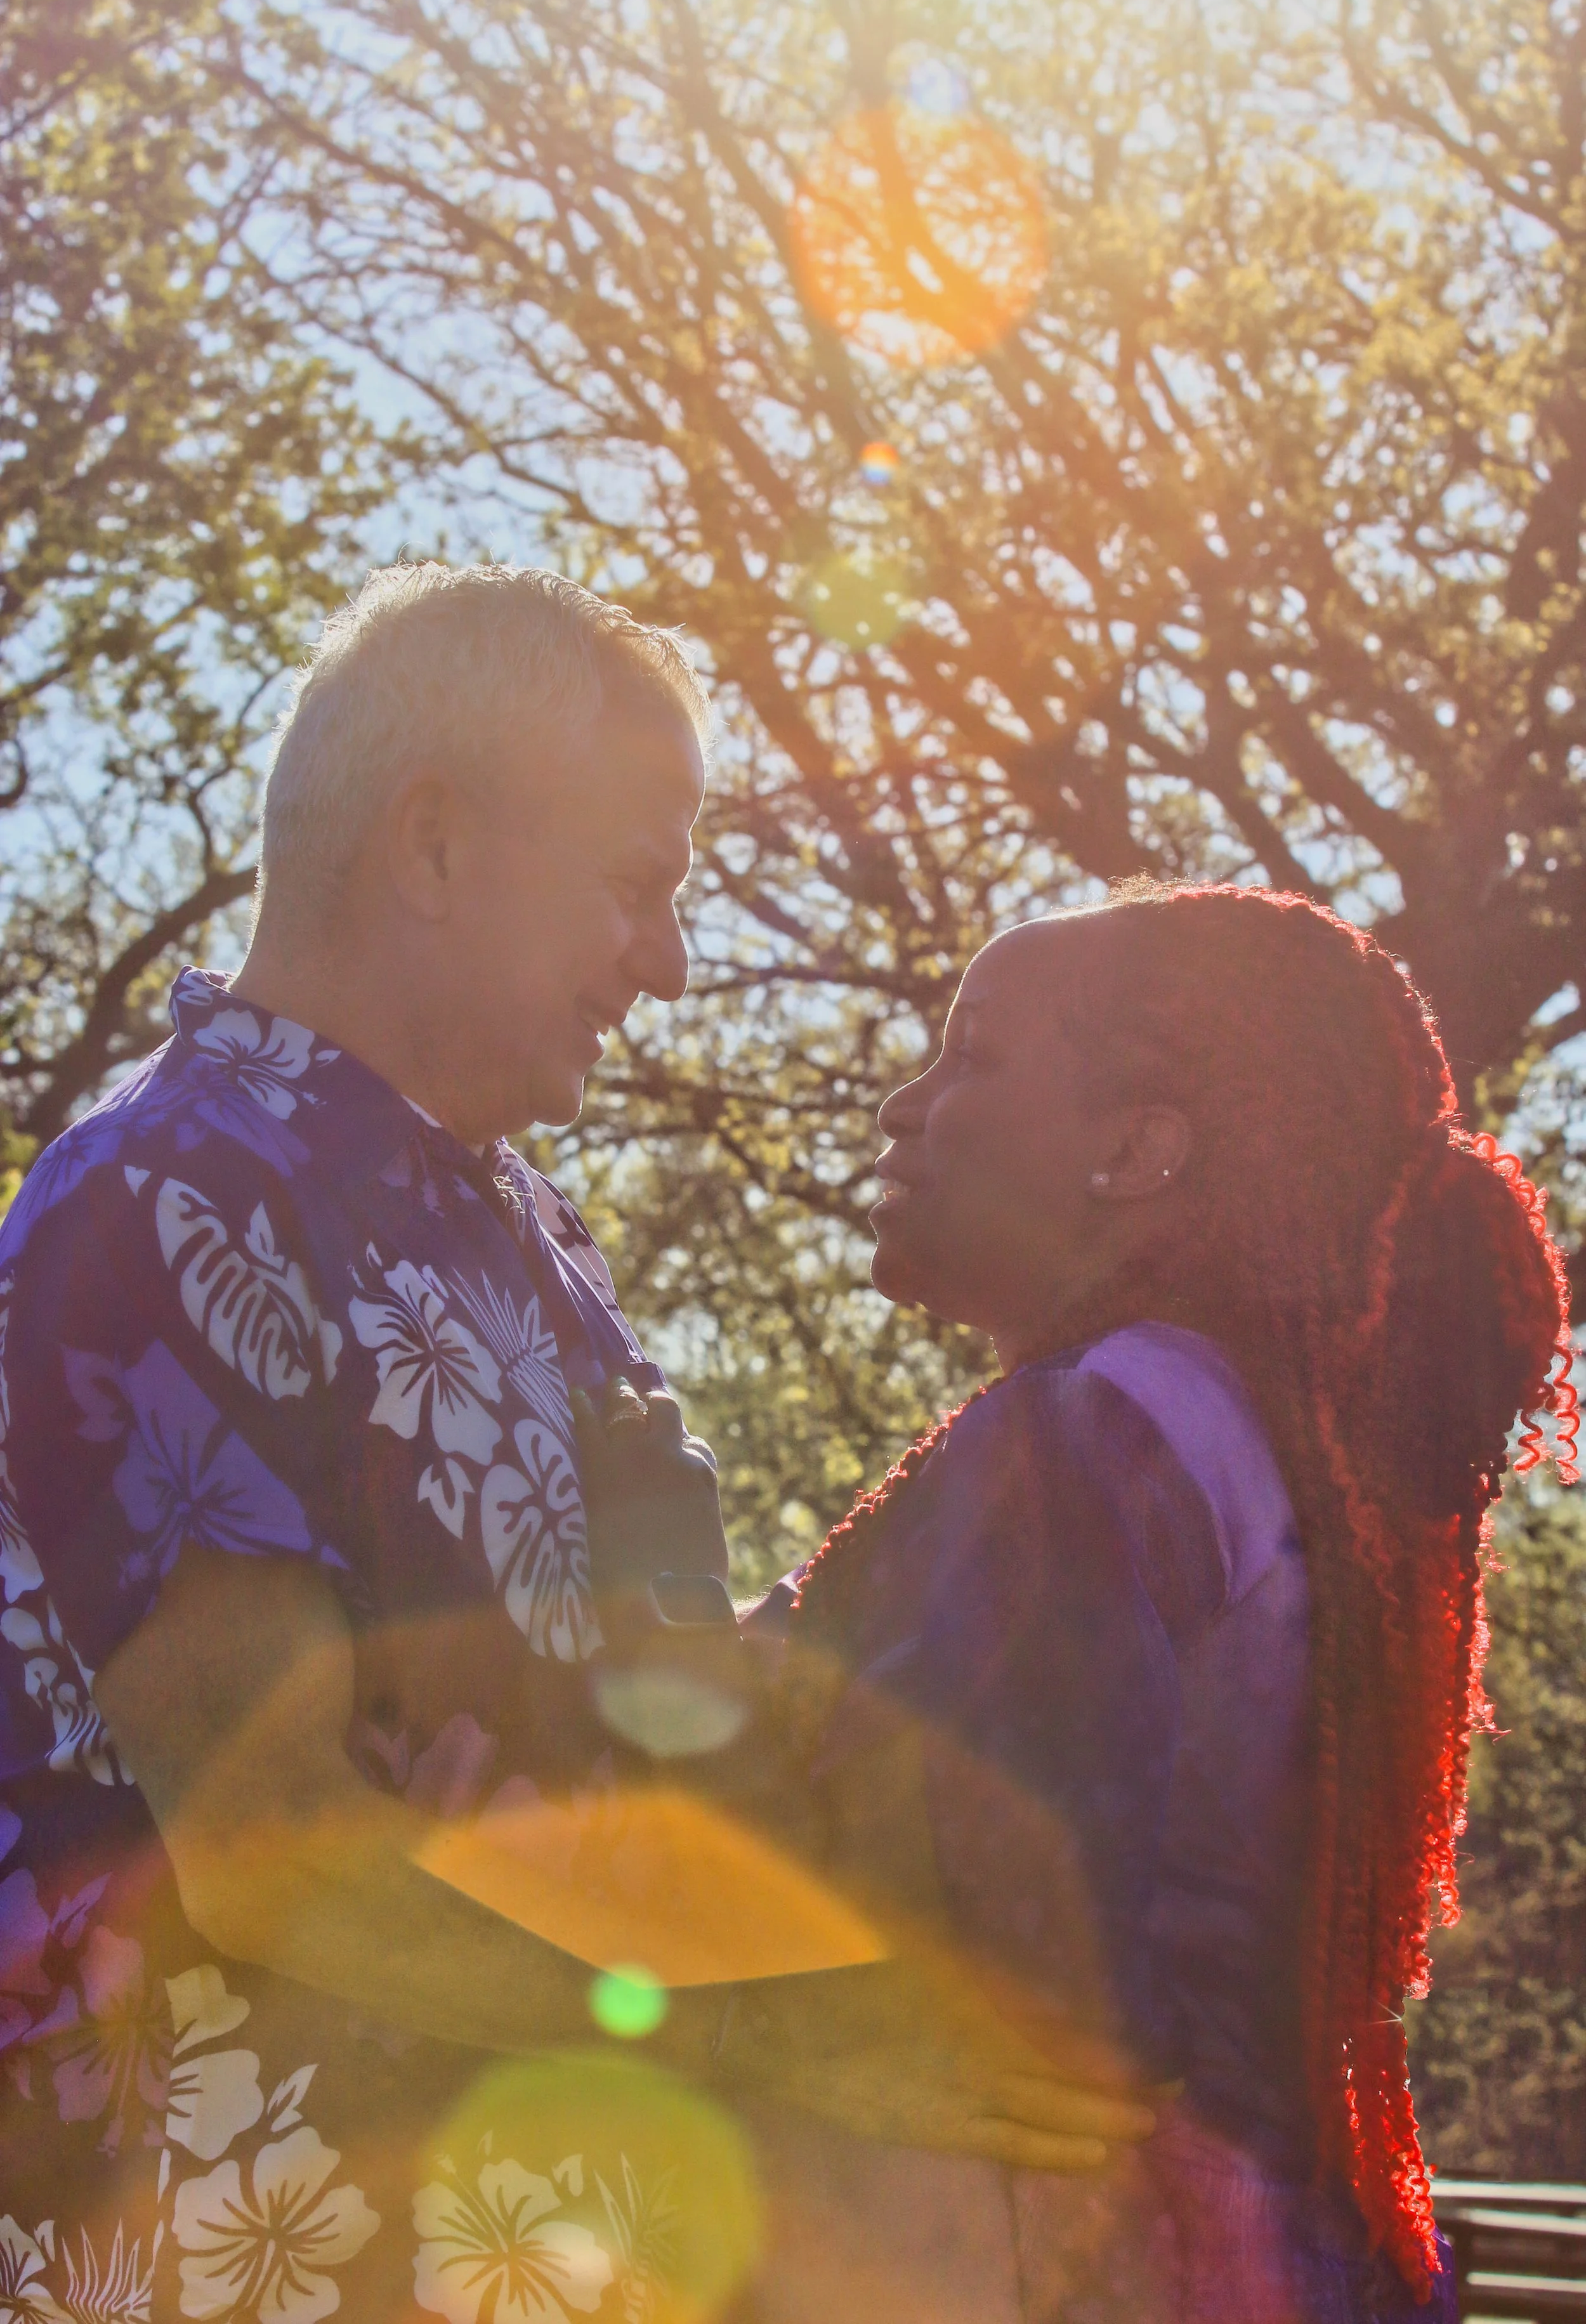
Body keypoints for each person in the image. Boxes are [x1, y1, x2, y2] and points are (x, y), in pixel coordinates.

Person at [0, 562, 1147, 2321]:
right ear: (436, 844)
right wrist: (791, 2036)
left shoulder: (523, 1228)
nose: (670, 962)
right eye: (636, 886)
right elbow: (270, 1843)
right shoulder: (173, 1195)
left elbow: (655, 1725)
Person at [747, 882, 1576, 2323]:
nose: (902, 1103)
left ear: (1134, 1151)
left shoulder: (1087, 1443)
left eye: (972, 1059)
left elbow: (957, 1957)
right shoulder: (1263, 1444)